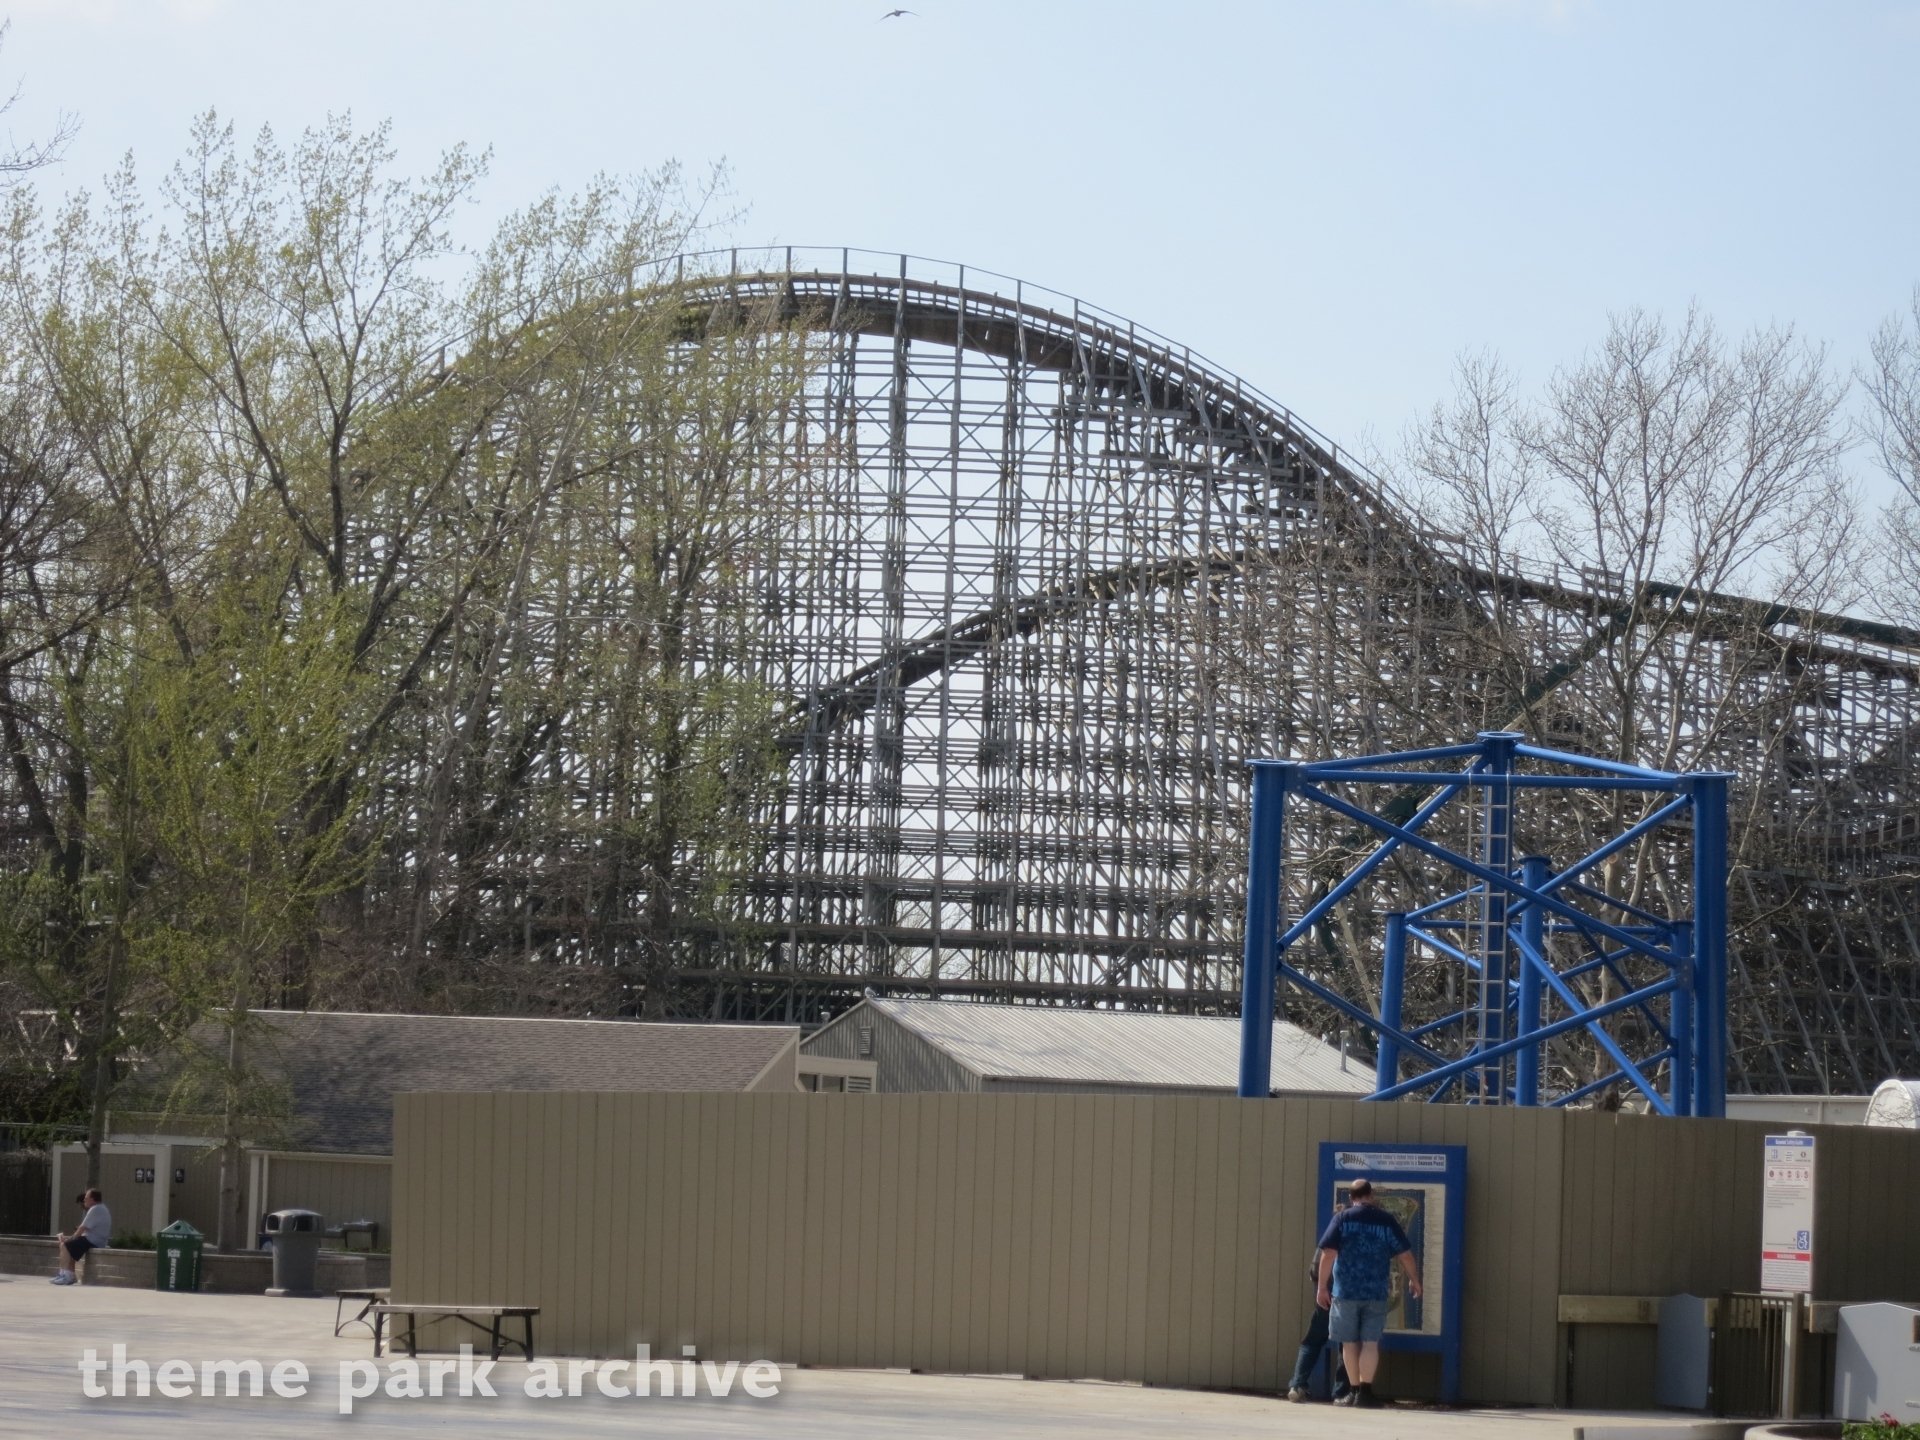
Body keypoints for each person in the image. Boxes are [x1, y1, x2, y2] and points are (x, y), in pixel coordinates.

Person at [1315, 1177, 1421, 1409]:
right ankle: (1366, 1393)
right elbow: (1405, 1254)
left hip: (1345, 1292)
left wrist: (1322, 1287)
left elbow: (1329, 1254)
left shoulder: (1342, 1218)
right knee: (1370, 1343)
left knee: (1349, 1344)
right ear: (1371, 1195)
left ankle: (1351, 1393)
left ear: (1351, 1198)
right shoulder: (1386, 1220)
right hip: (1375, 1292)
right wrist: (1414, 1279)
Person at [1285, 1246, 1351, 1403]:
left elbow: (1315, 1270)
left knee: (1313, 1340)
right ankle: (1341, 1392)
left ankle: (1297, 1384)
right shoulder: (1358, 1235)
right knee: (1347, 1343)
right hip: (1347, 1294)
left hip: (1327, 1294)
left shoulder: (1331, 1234)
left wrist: (1323, 1287)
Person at [51, 1188, 111, 1286]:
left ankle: (67, 1276)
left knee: (65, 1246)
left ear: (92, 1199)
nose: (84, 1200)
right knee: (68, 1246)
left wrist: (69, 1239)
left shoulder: (95, 1209)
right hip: (95, 1239)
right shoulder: (101, 1208)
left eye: (86, 1198)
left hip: (94, 1240)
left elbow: (81, 1229)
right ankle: (65, 1275)